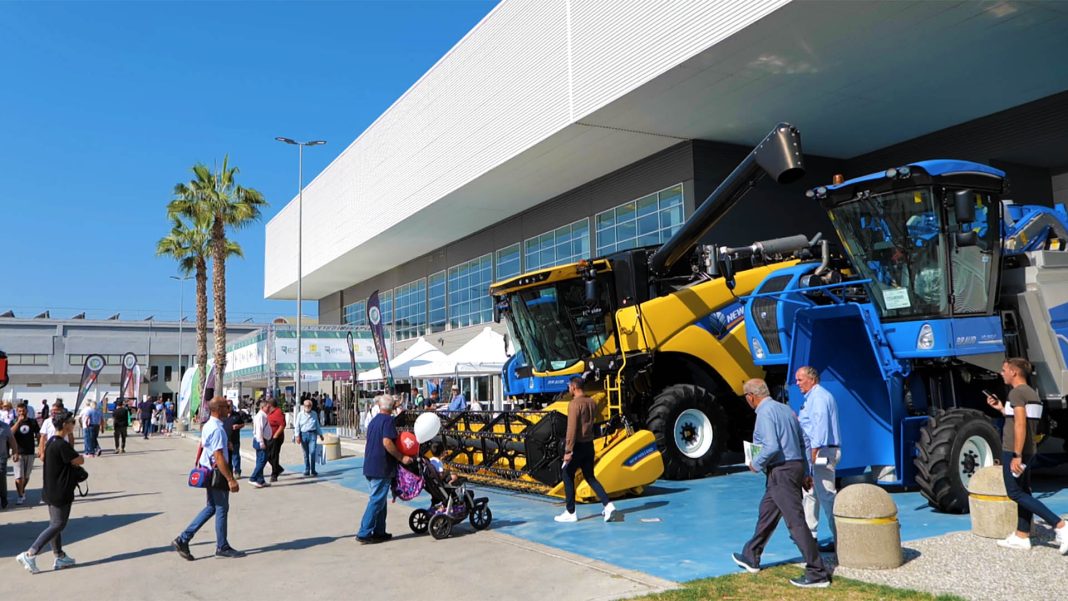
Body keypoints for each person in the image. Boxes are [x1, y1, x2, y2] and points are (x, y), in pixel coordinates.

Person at [732, 378, 832, 588]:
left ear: (751, 397)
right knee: (767, 512)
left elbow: (771, 446)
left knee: (795, 522)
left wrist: (755, 464)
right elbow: (803, 441)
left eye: (746, 397)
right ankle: (751, 555)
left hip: (781, 471)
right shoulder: (786, 409)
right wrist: (805, 471)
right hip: (792, 468)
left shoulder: (764, 413)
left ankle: (817, 572)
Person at [986, 358, 1068, 552]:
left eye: (1004, 369)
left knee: (1014, 492)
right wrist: (1000, 408)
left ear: (1014, 372)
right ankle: (1022, 536)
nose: (1001, 372)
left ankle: (1061, 526)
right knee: (1024, 491)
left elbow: (1021, 425)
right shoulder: (1031, 393)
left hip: (1016, 451)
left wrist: (1016, 455)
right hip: (1029, 450)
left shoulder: (1016, 393)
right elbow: (1023, 419)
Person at [172, 398, 244, 561]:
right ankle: (222, 546)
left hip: (209, 470)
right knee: (221, 508)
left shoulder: (209, 425)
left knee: (212, 507)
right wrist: (230, 479)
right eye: (227, 407)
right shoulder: (218, 429)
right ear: (218, 409)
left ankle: (184, 538)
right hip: (217, 473)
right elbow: (218, 456)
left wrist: (226, 447)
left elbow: (207, 446)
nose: (229, 409)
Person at [16, 411, 82, 573]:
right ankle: (31, 553)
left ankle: (59, 556)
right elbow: (79, 460)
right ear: (65, 425)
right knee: (59, 524)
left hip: (51, 489)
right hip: (60, 490)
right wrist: (78, 459)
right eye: (72, 422)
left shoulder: (52, 441)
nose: (74, 424)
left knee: (55, 525)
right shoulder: (61, 444)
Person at [554, 376, 616, 523]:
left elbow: (572, 428)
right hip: (589, 445)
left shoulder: (574, 404)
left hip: (577, 446)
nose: (568, 389)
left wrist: (568, 451)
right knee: (590, 477)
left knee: (567, 474)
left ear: (574, 387)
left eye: (569, 386)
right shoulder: (591, 402)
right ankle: (608, 505)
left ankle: (570, 512)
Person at [795, 366, 841, 552]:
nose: (797, 383)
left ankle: (840, 539)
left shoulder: (820, 398)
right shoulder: (812, 398)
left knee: (826, 495)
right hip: (816, 451)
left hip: (822, 452)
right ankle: (811, 537)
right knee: (810, 493)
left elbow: (820, 428)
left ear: (812, 379)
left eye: (800, 379)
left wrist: (814, 454)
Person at [357, 394, 412, 543]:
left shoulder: (374, 420)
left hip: (370, 465)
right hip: (381, 466)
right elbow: (387, 442)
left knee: (380, 500)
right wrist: (401, 457)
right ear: (392, 406)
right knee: (376, 499)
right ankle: (364, 531)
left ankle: (379, 530)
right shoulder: (388, 421)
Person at [12, 403, 40, 505]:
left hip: (30, 452)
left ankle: (21, 490)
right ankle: (20, 495)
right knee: (19, 477)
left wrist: (41, 449)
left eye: (23, 410)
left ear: (26, 411)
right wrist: (18, 422)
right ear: (16, 412)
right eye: (19, 411)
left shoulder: (32, 422)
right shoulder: (14, 422)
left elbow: (38, 435)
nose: (21, 413)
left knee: (26, 476)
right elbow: (10, 433)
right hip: (18, 453)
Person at [295, 399, 324, 477]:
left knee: (313, 452)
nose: (307, 407)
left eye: (309, 406)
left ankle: (313, 470)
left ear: (311, 406)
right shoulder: (300, 414)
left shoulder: (314, 414)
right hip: (303, 434)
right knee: (305, 453)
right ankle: (307, 469)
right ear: (303, 406)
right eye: (306, 406)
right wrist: (297, 436)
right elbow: (297, 426)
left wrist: (320, 434)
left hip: (312, 434)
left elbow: (317, 424)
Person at [249, 400, 272, 488]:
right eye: (267, 407)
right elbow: (259, 430)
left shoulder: (263, 416)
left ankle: (260, 480)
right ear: (262, 407)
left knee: (260, 460)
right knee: (262, 460)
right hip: (261, 440)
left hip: (262, 439)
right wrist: (261, 442)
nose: (269, 408)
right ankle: (253, 477)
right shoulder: (260, 416)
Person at [223, 406, 247, 479]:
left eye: (230, 406)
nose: (229, 408)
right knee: (227, 457)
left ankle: (237, 472)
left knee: (235, 456)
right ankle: (228, 472)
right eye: (227, 406)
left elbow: (243, 424)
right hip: (225, 441)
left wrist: (238, 426)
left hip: (235, 440)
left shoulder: (236, 415)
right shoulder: (222, 415)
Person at [266, 399, 286, 482]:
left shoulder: (278, 412)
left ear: (270, 405)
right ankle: (278, 468)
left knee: (274, 456)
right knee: (267, 455)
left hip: (276, 438)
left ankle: (274, 474)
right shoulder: (268, 412)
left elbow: (282, 425)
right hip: (268, 437)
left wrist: (275, 435)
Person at [0, 416, 18, 509]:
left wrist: (15, 452)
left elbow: (12, 440)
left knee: (1, 477)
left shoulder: (5, 427)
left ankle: (3, 497)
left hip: (1, 458)